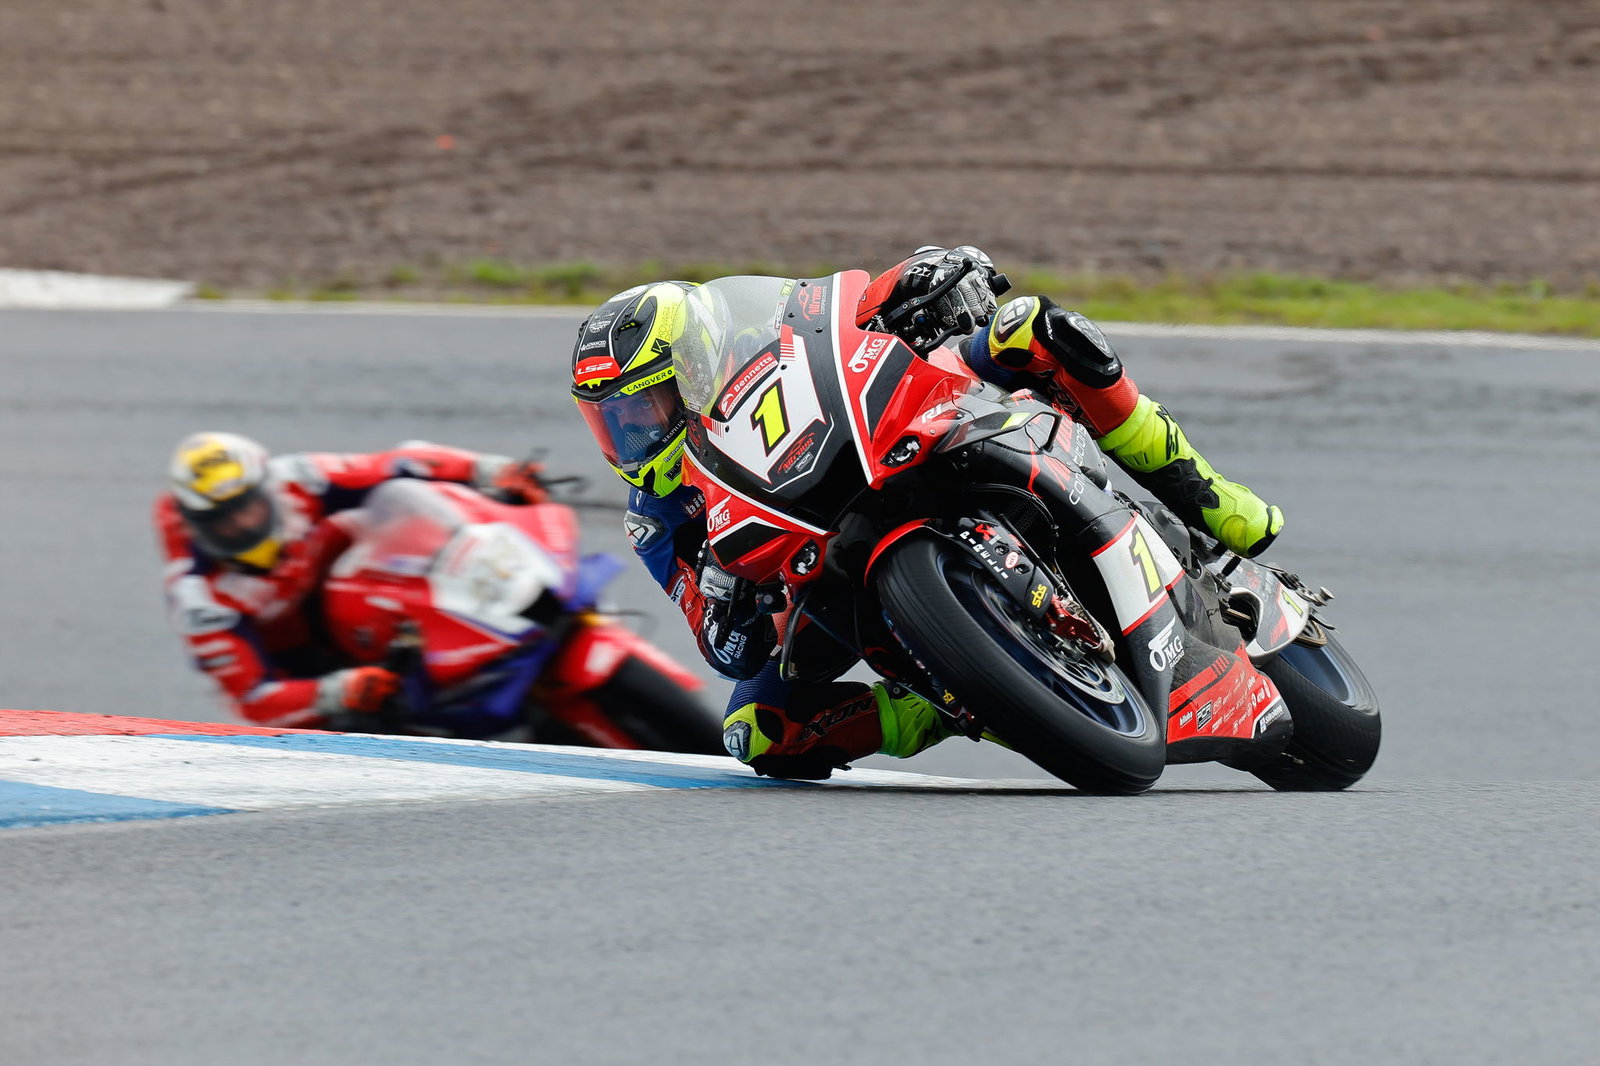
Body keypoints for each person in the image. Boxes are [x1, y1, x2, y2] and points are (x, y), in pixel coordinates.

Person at [570, 247, 1283, 779]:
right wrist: (729, 596)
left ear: (691, 368)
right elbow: (723, 649)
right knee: (757, 732)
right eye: (613, 424)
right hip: (820, 573)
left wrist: (928, 274)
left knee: (1034, 329)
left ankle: (1209, 502)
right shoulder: (658, 517)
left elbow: (841, 310)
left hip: (906, 427)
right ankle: (959, 702)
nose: (629, 437)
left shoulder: (759, 341)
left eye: (641, 410)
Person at [156, 431, 547, 730]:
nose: (244, 524)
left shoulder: (298, 479)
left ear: (266, 488)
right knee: (373, 727)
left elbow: (399, 463)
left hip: (348, 598)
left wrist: (489, 469)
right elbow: (253, 696)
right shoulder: (199, 599)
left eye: (249, 507)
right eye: (224, 521)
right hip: (308, 673)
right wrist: (333, 692)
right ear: (196, 525)